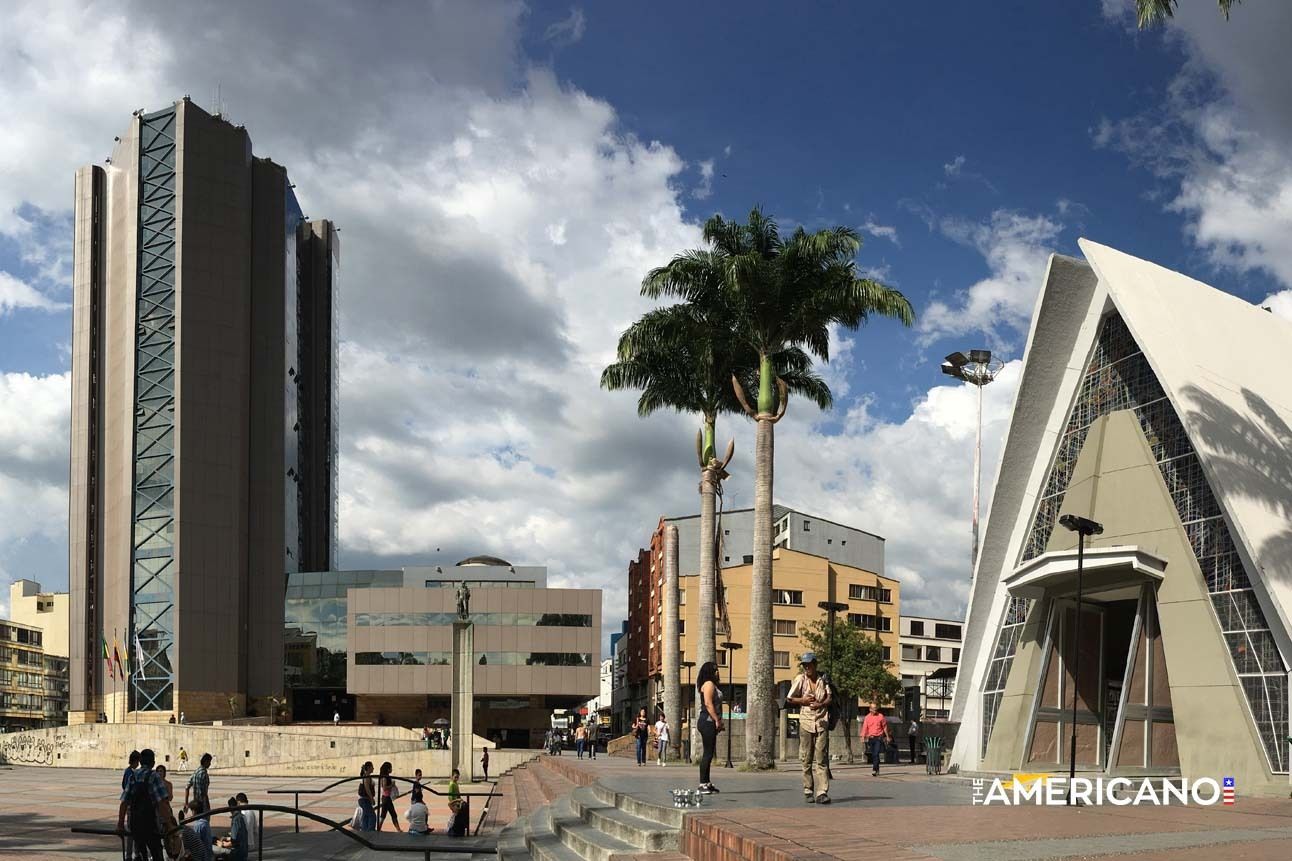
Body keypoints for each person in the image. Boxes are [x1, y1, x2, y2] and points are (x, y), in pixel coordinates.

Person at [787, 652, 832, 804]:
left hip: (822, 722)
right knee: (806, 758)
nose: (807, 668)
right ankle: (808, 789)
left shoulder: (823, 679)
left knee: (821, 758)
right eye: (804, 665)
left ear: (815, 664)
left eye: (809, 665)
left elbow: (829, 697)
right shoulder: (800, 679)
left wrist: (821, 704)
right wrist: (803, 700)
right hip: (806, 722)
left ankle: (822, 792)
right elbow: (789, 699)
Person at [117, 748, 168, 861]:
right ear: (153, 763)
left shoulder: (133, 776)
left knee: (141, 853)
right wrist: (169, 824)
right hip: (150, 825)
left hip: (135, 825)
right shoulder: (154, 776)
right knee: (157, 854)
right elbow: (162, 803)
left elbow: (124, 802)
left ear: (140, 762)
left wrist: (120, 824)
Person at [695, 661, 723, 794]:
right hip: (707, 720)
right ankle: (702, 784)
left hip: (709, 721)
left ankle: (707, 782)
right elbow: (708, 703)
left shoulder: (711, 684)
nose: (717, 672)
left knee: (709, 753)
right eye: (715, 670)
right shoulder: (708, 684)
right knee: (707, 753)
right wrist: (716, 720)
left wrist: (719, 721)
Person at [156, 764, 183, 858]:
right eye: (158, 771)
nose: (159, 773)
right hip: (157, 810)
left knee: (169, 830)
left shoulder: (168, 784)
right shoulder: (154, 784)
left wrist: (164, 796)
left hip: (166, 809)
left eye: (161, 771)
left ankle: (171, 851)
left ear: (164, 773)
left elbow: (170, 797)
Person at [861, 703, 892, 777]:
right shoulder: (867, 717)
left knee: (876, 753)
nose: (875, 709)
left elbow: (885, 727)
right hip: (871, 738)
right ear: (870, 709)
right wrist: (863, 736)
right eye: (873, 708)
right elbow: (865, 727)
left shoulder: (880, 716)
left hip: (878, 738)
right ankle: (877, 769)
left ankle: (874, 769)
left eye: (876, 708)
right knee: (873, 754)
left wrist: (887, 736)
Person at [214, 797, 247, 861]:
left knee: (217, 852)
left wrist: (222, 844)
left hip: (238, 853)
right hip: (243, 850)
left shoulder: (236, 819)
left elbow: (234, 841)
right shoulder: (241, 817)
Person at [185, 753, 212, 819]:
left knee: (198, 822)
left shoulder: (196, 772)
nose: (210, 764)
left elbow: (187, 787)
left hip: (196, 805)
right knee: (204, 822)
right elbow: (203, 793)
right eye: (209, 762)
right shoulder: (204, 774)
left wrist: (186, 803)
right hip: (202, 804)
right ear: (205, 762)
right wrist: (207, 806)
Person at [377, 761, 402, 832]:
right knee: (392, 814)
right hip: (386, 798)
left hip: (386, 798)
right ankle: (398, 830)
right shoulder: (385, 777)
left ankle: (378, 829)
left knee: (384, 815)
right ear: (388, 769)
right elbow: (384, 787)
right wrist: (392, 785)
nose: (391, 769)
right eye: (391, 768)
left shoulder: (385, 776)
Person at [357, 761, 377, 831]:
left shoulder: (366, 776)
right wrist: (372, 798)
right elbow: (367, 788)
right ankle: (370, 831)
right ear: (368, 768)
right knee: (372, 816)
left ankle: (364, 831)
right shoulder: (366, 777)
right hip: (364, 799)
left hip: (364, 799)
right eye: (372, 767)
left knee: (365, 816)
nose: (373, 768)